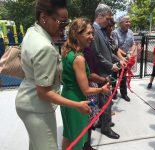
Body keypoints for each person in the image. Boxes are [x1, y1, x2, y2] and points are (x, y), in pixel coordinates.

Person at [15, 1, 90, 150]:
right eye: (61, 23)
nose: (64, 28)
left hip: (27, 100)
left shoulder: (32, 31)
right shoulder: (44, 47)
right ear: (43, 17)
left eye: (65, 23)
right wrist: (77, 105)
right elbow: (44, 92)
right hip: (37, 108)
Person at [60, 18, 110, 150]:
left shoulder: (68, 52)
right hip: (76, 101)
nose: (92, 37)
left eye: (92, 33)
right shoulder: (79, 58)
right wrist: (102, 90)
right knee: (77, 139)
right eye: (88, 33)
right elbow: (86, 90)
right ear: (77, 34)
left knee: (69, 135)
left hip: (66, 98)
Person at [91, 3, 126, 139]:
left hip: (105, 71)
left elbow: (108, 51)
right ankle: (105, 127)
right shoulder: (94, 30)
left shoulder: (101, 29)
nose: (109, 21)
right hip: (101, 73)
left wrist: (118, 60)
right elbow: (97, 54)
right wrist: (111, 66)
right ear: (100, 16)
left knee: (105, 100)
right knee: (105, 100)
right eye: (108, 18)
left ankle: (104, 122)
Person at [111, 15, 134, 101]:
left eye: (129, 21)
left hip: (126, 58)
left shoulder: (131, 32)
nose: (128, 23)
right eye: (126, 21)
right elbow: (116, 48)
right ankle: (114, 93)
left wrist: (130, 53)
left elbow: (132, 45)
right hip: (116, 58)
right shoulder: (115, 33)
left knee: (123, 76)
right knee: (114, 76)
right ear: (121, 23)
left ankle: (124, 93)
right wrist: (125, 55)